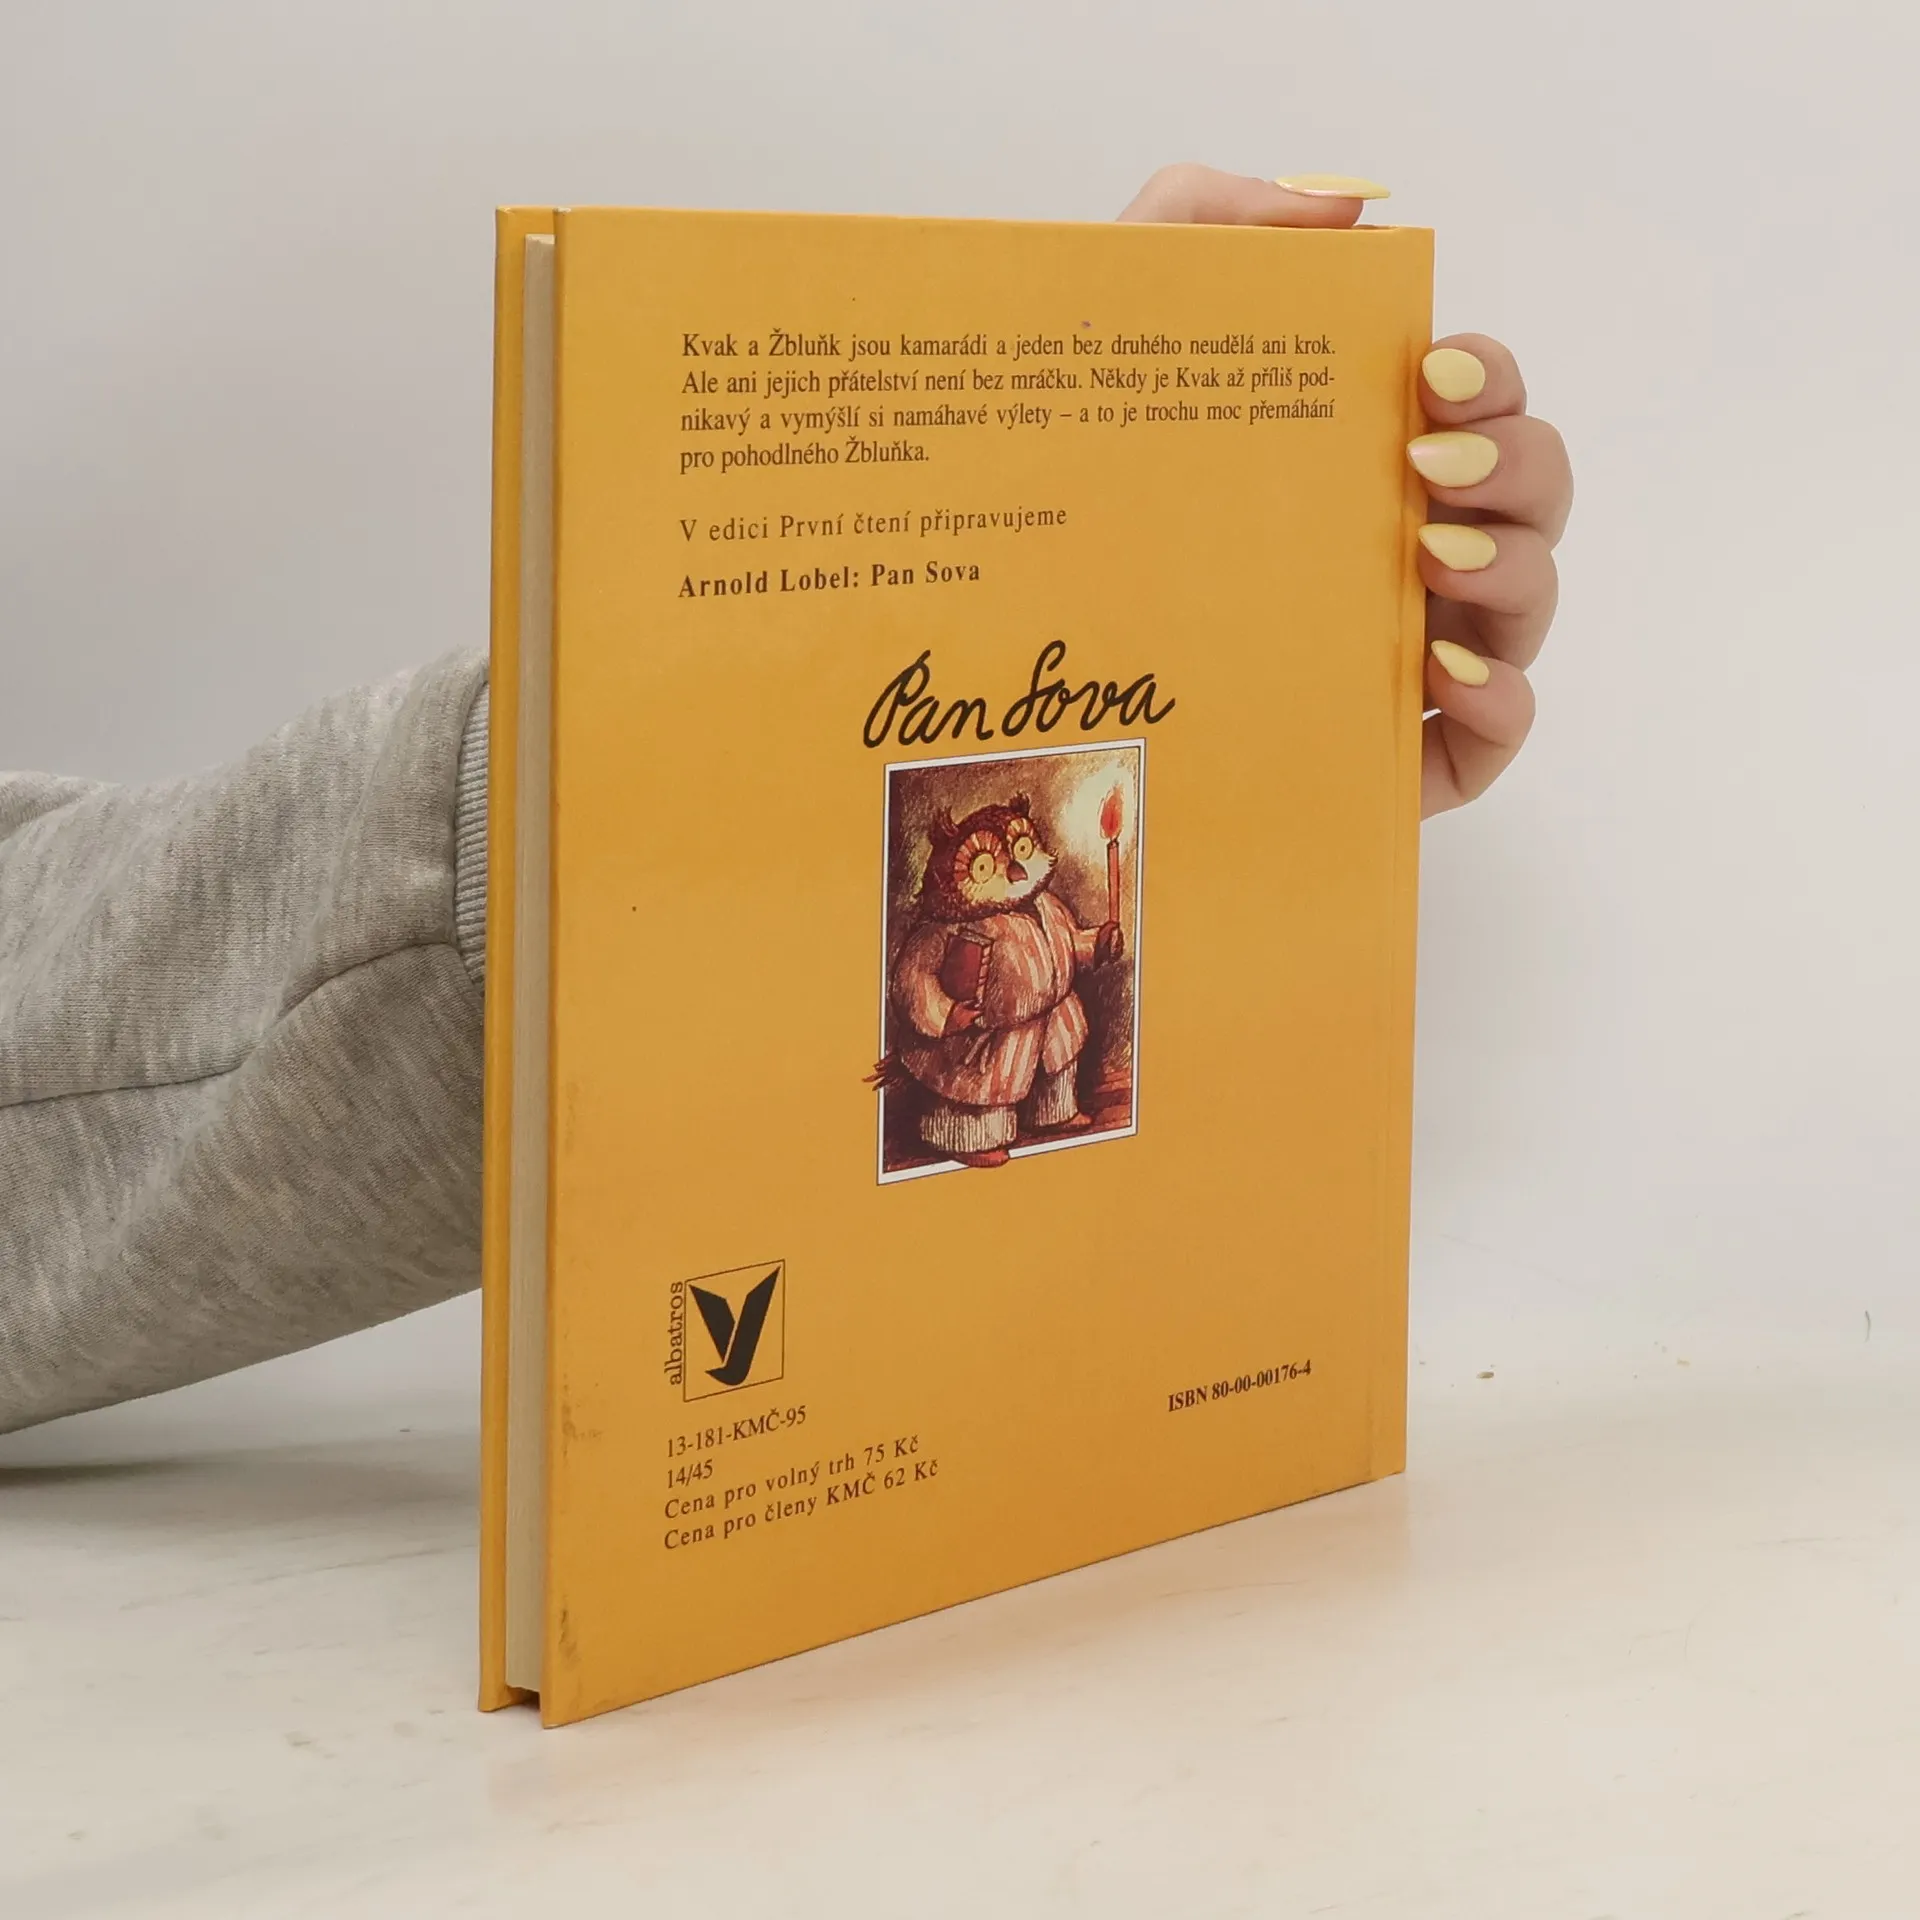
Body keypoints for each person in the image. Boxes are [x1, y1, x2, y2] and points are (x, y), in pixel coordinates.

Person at [0, 165, 1574, 1436]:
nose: (1008, 852)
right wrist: (619, 819)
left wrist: (1057, 531)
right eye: (990, 842)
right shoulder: (937, 923)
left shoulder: (1047, 889)